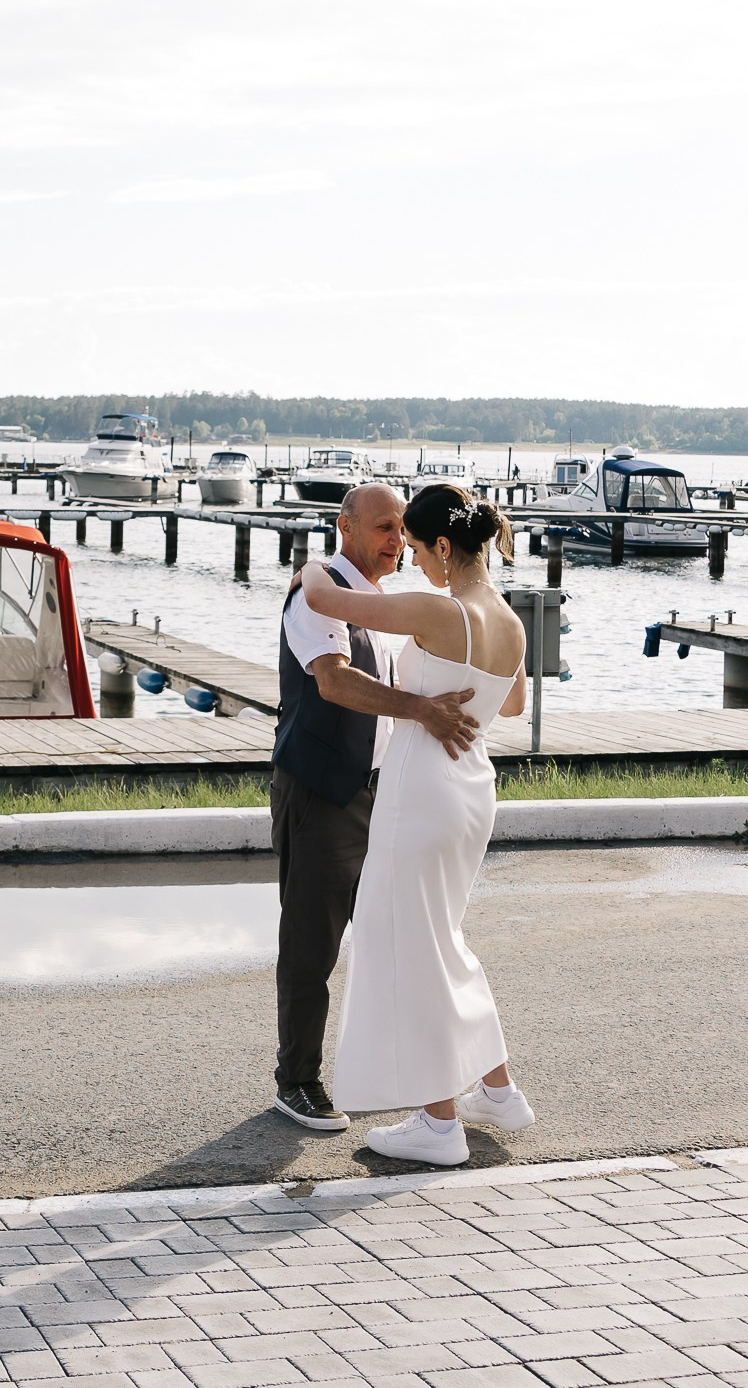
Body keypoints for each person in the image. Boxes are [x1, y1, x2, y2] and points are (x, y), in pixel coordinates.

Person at [299, 484, 531, 1166]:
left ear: (441, 546)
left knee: (405, 940)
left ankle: (437, 1122)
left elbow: (325, 599)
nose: (413, 558)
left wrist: (314, 563)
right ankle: (496, 1088)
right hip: (471, 790)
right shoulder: (510, 622)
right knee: (441, 939)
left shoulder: (439, 610)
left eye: (417, 546)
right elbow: (512, 704)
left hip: (422, 787)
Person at [270, 483, 480, 1133]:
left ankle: (423, 1084)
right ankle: (297, 1080)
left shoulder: (380, 601)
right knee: (312, 943)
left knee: (399, 939)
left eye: (402, 530)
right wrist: (424, 711)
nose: (397, 539)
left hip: (382, 795)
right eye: (385, 527)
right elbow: (333, 680)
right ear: (347, 529)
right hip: (320, 790)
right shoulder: (316, 592)